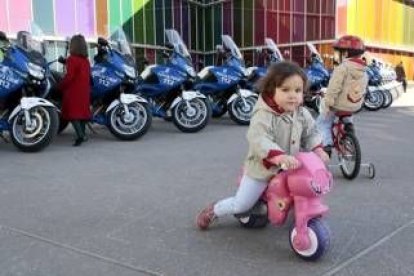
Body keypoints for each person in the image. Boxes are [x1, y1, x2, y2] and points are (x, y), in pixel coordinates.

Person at [195, 61, 329, 230]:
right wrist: (278, 156)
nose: (293, 95)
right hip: (262, 169)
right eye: (285, 90)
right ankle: (215, 210)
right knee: (241, 205)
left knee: (304, 186)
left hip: (290, 165)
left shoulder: (301, 113)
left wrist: (318, 149)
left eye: (298, 90)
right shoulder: (264, 114)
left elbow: (311, 132)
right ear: (271, 90)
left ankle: (300, 216)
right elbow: (259, 138)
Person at [316, 35, 368, 156]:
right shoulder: (364, 70)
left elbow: (333, 89)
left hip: (339, 106)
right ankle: (349, 125)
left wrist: (327, 104)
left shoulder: (342, 68)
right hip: (354, 106)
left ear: (345, 53)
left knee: (322, 122)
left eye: (340, 52)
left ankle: (327, 146)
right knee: (347, 112)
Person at [58, 34, 91, 146]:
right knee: (82, 114)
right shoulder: (86, 61)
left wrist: (60, 86)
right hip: (84, 91)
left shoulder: (72, 59)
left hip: (73, 91)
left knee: (72, 115)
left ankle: (80, 136)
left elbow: (69, 76)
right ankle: (83, 134)